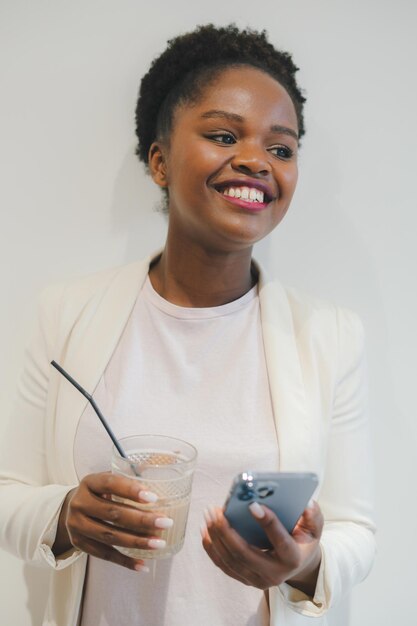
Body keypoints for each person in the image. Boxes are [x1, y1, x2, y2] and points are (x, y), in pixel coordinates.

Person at [0, 24, 375, 626]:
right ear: (159, 162)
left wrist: (303, 565)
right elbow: (8, 493)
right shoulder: (65, 314)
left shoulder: (330, 336)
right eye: (224, 135)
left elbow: (357, 530)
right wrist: (65, 515)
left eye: (281, 148)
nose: (256, 160)